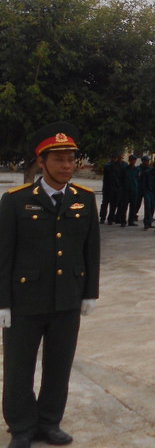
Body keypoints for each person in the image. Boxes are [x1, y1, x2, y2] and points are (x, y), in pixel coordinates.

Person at [1, 123, 100, 448]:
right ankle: (22, 427)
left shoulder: (84, 200)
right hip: (24, 300)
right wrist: (2, 302)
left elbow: (91, 250)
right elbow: (4, 254)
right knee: (19, 368)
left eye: (71, 159)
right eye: (59, 160)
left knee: (58, 366)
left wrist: (90, 293)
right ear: (41, 163)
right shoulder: (16, 201)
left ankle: (49, 422)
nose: (67, 166)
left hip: (67, 300)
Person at [99, 154, 121, 225]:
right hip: (107, 188)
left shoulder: (119, 166)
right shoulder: (108, 166)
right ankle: (103, 218)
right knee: (105, 203)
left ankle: (110, 218)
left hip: (115, 188)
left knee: (113, 205)